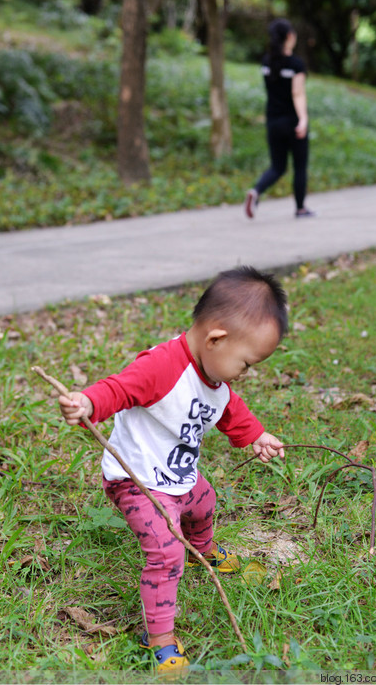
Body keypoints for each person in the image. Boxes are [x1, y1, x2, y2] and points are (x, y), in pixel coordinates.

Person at [58, 266, 287, 672]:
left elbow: (230, 410)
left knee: (204, 502)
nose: (246, 373)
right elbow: (120, 388)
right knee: (165, 553)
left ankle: (204, 548)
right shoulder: (163, 367)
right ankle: (159, 638)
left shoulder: (214, 379)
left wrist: (258, 436)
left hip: (178, 475)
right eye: (247, 363)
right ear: (216, 339)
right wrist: (88, 404)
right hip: (138, 480)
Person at [245, 18, 313, 219]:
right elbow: (297, 94)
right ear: (290, 36)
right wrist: (303, 120)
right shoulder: (295, 64)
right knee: (299, 167)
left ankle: (256, 192)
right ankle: (300, 208)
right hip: (292, 122)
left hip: (273, 121)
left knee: (277, 166)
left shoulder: (267, 62)